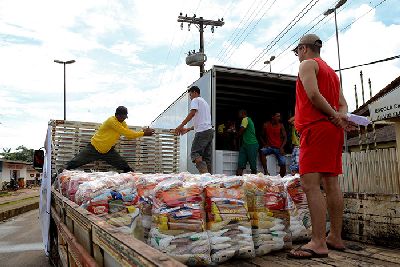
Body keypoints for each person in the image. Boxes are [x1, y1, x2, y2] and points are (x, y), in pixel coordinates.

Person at [288, 34, 354, 259]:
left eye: (297, 52)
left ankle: (318, 241)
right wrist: (339, 117)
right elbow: (343, 104)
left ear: (304, 49)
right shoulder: (332, 74)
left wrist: (335, 115)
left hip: (315, 128)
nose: (298, 56)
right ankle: (335, 236)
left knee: (310, 184)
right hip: (332, 131)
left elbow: (313, 95)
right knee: (331, 182)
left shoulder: (307, 64)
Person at [66, 106, 155, 172]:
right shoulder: (112, 121)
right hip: (93, 148)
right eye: (121, 117)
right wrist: (144, 133)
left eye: (124, 117)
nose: (123, 119)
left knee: (124, 166)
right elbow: (128, 134)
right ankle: (57, 176)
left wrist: (142, 131)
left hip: (108, 151)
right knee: (74, 163)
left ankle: (133, 179)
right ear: (116, 115)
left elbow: (128, 134)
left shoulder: (122, 123)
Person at [175, 86, 214, 174]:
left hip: (202, 132)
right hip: (209, 132)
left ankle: (205, 176)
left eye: (190, 95)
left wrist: (180, 126)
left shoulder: (195, 100)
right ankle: (210, 180)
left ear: (195, 93)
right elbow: (202, 121)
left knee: (195, 153)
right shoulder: (205, 103)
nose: (190, 97)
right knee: (206, 157)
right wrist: (188, 129)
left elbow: (192, 113)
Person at [259, 112, 287, 177]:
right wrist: (264, 144)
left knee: (283, 163)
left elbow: (285, 137)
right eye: (277, 116)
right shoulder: (266, 125)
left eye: (279, 116)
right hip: (269, 147)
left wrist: (282, 147)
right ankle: (266, 172)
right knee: (262, 151)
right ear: (273, 117)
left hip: (278, 147)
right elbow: (260, 136)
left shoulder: (281, 125)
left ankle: (281, 178)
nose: (279, 118)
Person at [236, 110, 259, 175]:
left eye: (239, 113)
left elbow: (242, 130)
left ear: (243, 113)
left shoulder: (245, 119)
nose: (238, 115)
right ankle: (238, 179)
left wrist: (236, 136)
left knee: (252, 165)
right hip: (245, 144)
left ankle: (253, 181)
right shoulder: (249, 120)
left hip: (252, 144)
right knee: (241, 164)